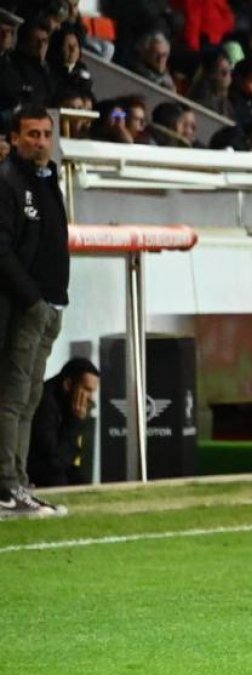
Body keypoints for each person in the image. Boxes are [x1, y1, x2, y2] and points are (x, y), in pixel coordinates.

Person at [0, 106, 69, 517]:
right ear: (14, 138)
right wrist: (32, 300)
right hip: (27, 307)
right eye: (32, 134)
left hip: (49, 304)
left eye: (46, 134)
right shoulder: (8, 181)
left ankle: (19, 482)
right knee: (12, 397)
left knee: (29, 398)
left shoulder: (48, 180)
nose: (41, 142)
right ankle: (6, 486)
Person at [27, 358, 99, 487]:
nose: (91, 398)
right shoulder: (44, 404)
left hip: (53, 467)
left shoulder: (66, 404)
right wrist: (75, 421)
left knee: (81, 480)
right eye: (87, 390)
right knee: (57, 479)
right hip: (34, 473)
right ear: (68, 385)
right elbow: (55, 460)